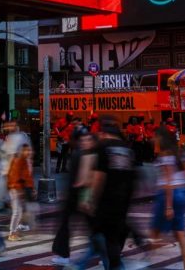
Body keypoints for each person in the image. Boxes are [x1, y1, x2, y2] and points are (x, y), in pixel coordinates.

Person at [74, 115, 134, 270]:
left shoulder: (103, 147)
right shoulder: (127, 148)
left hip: (106, 200)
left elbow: (99, 177)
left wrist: (91, 199)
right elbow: (134, 176)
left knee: (102, 237)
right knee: (109, 238)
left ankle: (109, 265)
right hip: (124, 200)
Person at [51, 127, 94, 266]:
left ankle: (63, 254)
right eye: (84, 139)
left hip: (76, 195)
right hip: (78, 195)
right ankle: (109, 247)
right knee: (91, 225)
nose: (86, 141)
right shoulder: (83, 154)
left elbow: (83, 177)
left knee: (67, 225)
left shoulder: (80, 154)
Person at [150, 126, 185, 270]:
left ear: (161, 138)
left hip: (167, 194)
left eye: (154, 136)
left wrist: (168, 206)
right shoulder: (180, 153)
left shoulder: (165, 154)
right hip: (183, 192)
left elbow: (168, 180)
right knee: (180, 234)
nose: (152, 139)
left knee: (154, 231)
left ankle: (148, 261)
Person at [7, 143, 35, 240]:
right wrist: (18, 190)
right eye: (26, 150)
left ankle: (14, 232)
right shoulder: (18, 160)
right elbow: (14, 176)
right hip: (15, 189)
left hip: (18, 189)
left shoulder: (25, 161)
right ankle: (12, 233)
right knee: (17, 212)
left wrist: (31, 188)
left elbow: (27, 177)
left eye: (29, 150)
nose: (28, 152)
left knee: (18, 212)